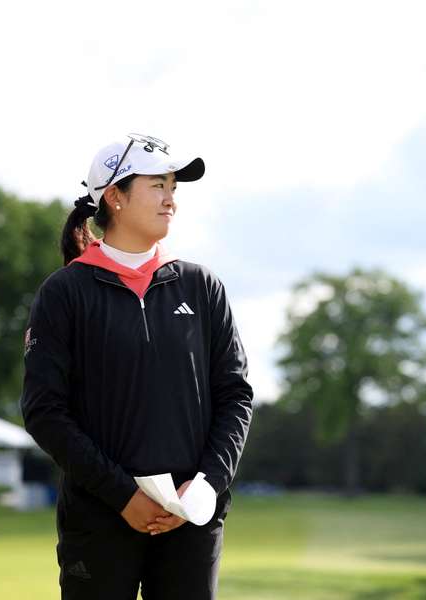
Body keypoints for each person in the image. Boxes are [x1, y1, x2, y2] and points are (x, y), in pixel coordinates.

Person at [21, 133, 253, 599]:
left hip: (191, 520)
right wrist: (123, 496)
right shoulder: (65, 293)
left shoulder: (201, 286)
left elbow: (236, 395)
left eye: (174, 187)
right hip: (100, 518)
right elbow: (45, 411)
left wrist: (207, 483)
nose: (171, 199)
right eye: (158, 185)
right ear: (115, 196)